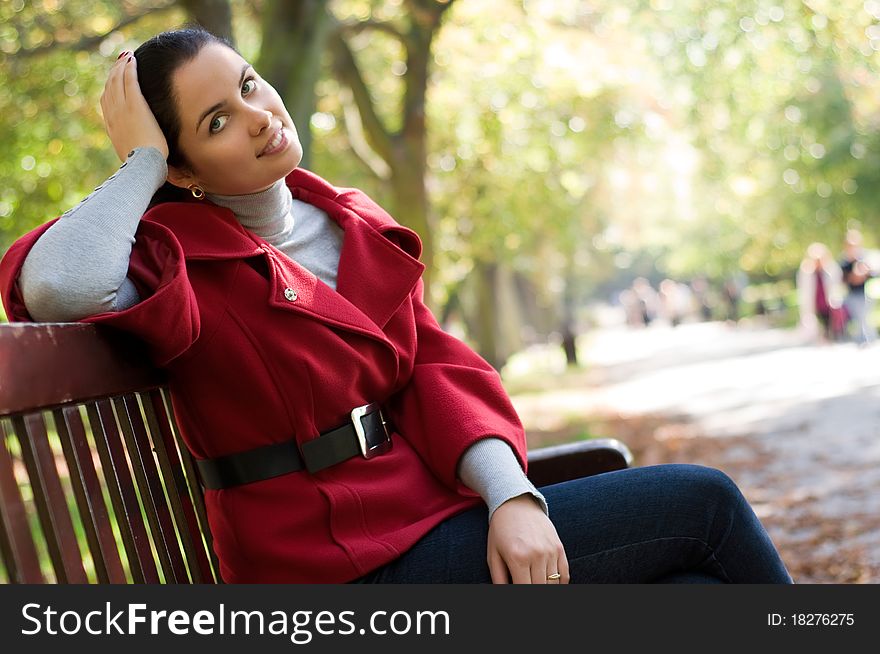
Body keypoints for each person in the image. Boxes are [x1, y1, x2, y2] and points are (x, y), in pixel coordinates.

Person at [0, 28, 792, 584]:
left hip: (432, 521)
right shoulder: (170, 256)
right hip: (338, 572)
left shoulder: (344, 219)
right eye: (216, 122)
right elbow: (56, 288)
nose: (258, 116)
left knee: (697, 595)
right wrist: (140, 162)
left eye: (248, 85)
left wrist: (512, 497)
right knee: (706, 506)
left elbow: (435, 367)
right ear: (183, 167)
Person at [796, 242, 844, 343]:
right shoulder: (806, 272)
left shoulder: (831, 269)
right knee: (816, 322)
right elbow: (803, 289)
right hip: (815, 302)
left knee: (829, 321)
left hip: (828, 301)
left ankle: (830, 337)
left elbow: (837, 283)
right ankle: (820, 338)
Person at [839, 229, 876, 346]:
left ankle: (868, 338)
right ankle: (864, 338)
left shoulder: (863, 259)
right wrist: (854, 276)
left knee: (864, 316)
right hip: (852, 295)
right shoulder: (844, 262)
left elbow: (872, 275)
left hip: (865, 293)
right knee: (859, 316)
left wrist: (864, 272)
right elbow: (844, 280)